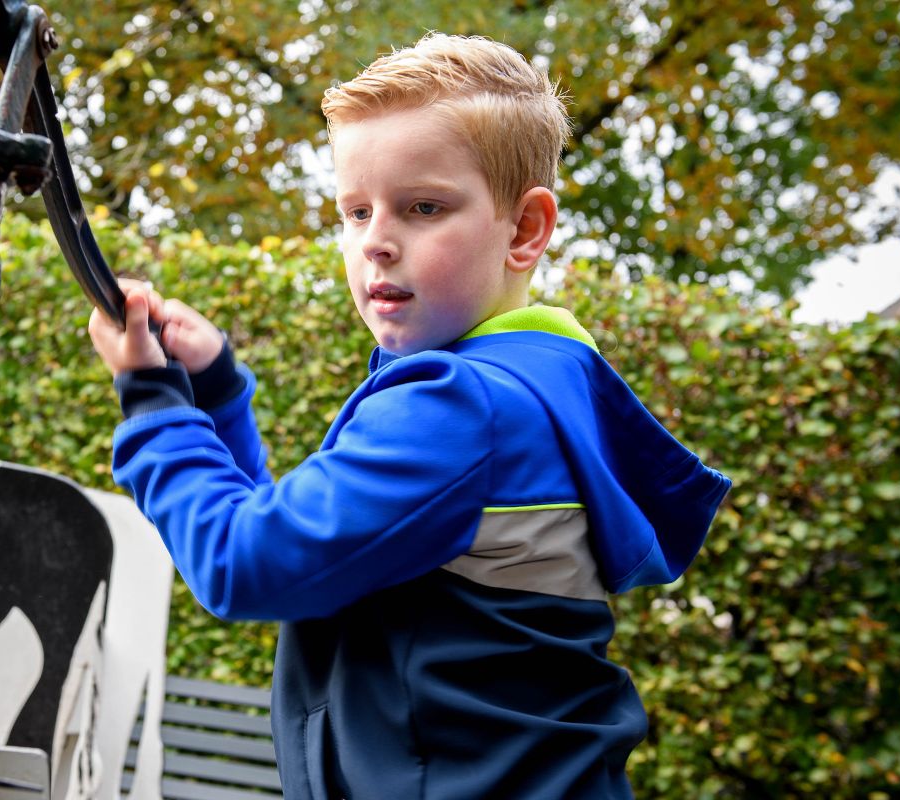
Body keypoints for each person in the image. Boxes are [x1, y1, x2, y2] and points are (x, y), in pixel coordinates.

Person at [87, 32, 730, 799]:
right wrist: (216, 393)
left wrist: (153, 404)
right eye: (354, 212)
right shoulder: (531, 384)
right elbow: (299, 549)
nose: (375, 244)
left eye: (422, 207)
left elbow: (243, 564)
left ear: (524, 229)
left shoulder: (461, 406)